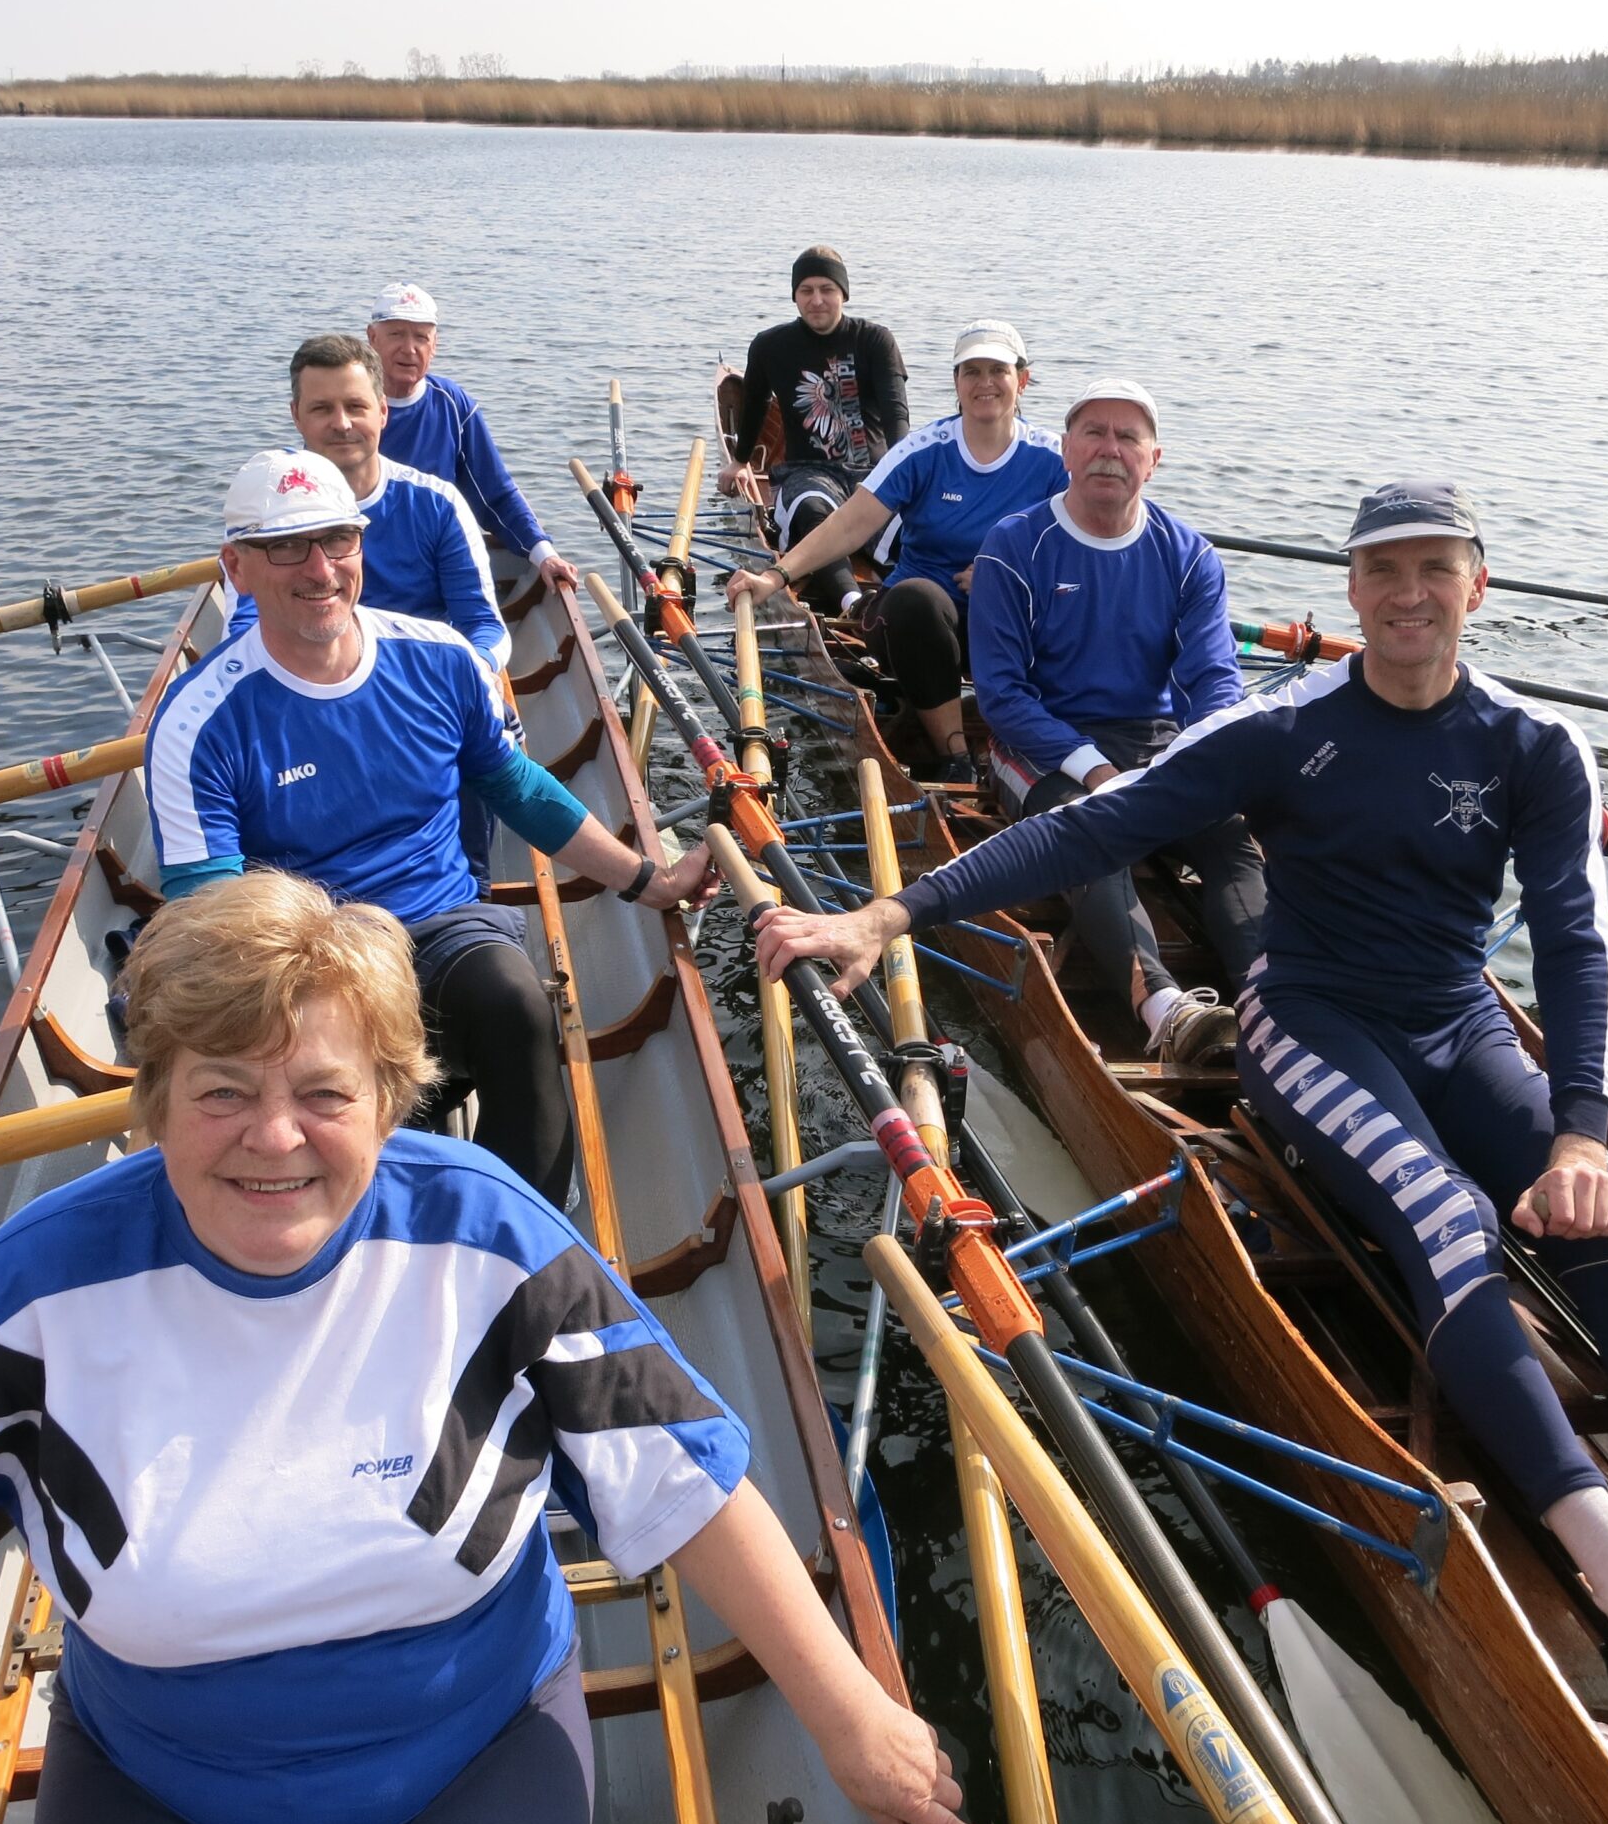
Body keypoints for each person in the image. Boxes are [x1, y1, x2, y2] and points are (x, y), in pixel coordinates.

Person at [750, 480, 1608, 1728]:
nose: (1407, 595)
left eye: (1433, 570)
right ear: (1349, 592)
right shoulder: (1283, 732)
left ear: (1476, 587)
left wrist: (1578, 1137)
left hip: (1459, 1022)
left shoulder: (1534, 747)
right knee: (1446, 1217)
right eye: (1382, 572)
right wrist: (883, 913)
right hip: (1308, 1027)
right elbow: (1088, 831)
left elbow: (1575, 947)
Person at [0, 873, 977, 1824]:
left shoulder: (489, 1242)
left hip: (469, 1759)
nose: (274, 1139)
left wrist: (848, 1714)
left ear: (394, 1101)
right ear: (150, 1100)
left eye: (323, 1095)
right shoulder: (33, 1295)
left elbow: (684, 1485)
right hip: (161, 1790)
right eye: (220, 1092)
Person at [148, 447, 704, 1208]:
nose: (320, 569)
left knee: (518, 1004)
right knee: (288, 1068)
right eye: (285, 548)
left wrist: (647, 879)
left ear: (361, 545)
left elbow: (516, 788)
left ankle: (522, 1238)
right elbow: (212, 925)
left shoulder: (441, 658)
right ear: (236, 568)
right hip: (295, 959)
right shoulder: (198, 722)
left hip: (440, 927)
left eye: (337, 540)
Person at [964, 376, 1264, 1065]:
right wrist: (1096, 772)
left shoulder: (1189, 555)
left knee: (1233, 836)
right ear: (1065, 450)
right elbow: (1003, 696)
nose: (1109, 450)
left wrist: (1205, 759)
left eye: (1128, 437)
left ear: (1152, 460)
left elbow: (1215, 682)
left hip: (1155, 740)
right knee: (1091, 831)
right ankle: (1165, 1009)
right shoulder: (1014, 546)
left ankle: (1270, 1006)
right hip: (1040, 744)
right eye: (1094, 433)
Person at [727, 318, 1066, 787]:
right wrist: (777, 576)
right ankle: (956, 755)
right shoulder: (925, 450)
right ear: (956, 383)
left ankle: (1059, 740)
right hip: (919, 628)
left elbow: (1088, 546)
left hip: (1010, 619)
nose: (984, 383)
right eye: (971, 372)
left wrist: (1005, 572)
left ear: (1021, 380)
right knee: (916, 599)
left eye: (998, 371)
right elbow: (849, 524)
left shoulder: (1057, 458)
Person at [224, 332, 508, 670]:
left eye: (356, 407)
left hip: (420, 674)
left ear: (383, 411)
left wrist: (473, 673)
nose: (342, 424)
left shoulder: (439, 504)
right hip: (306, 680)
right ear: (296, 415)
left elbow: (484, 626)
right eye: (322, 409)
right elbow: (243, 632)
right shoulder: (267, 508)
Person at [717, 245, 909, 618]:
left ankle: (906, 603)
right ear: (795, 296)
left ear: (843, 294)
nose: (817, 300)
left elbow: (896, 416)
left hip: (872, 474)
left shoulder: (875, 341)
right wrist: (740, 461)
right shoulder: (770, 345)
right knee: (814, 516)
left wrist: (907, 479)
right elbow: (754, 404)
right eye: (806, 291)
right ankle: (855, 608)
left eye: (827, 289)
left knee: (911, 531)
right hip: (808, 472)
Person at [365, 281, 582, 588]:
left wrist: (544, 553)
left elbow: (496, 495)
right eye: (396, 334)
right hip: (362, 568)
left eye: (421, 337)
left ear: (435, 345)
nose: (409, 349)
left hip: (431, 568)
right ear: (372, 338)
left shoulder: (454, 406)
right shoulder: (347, 404)